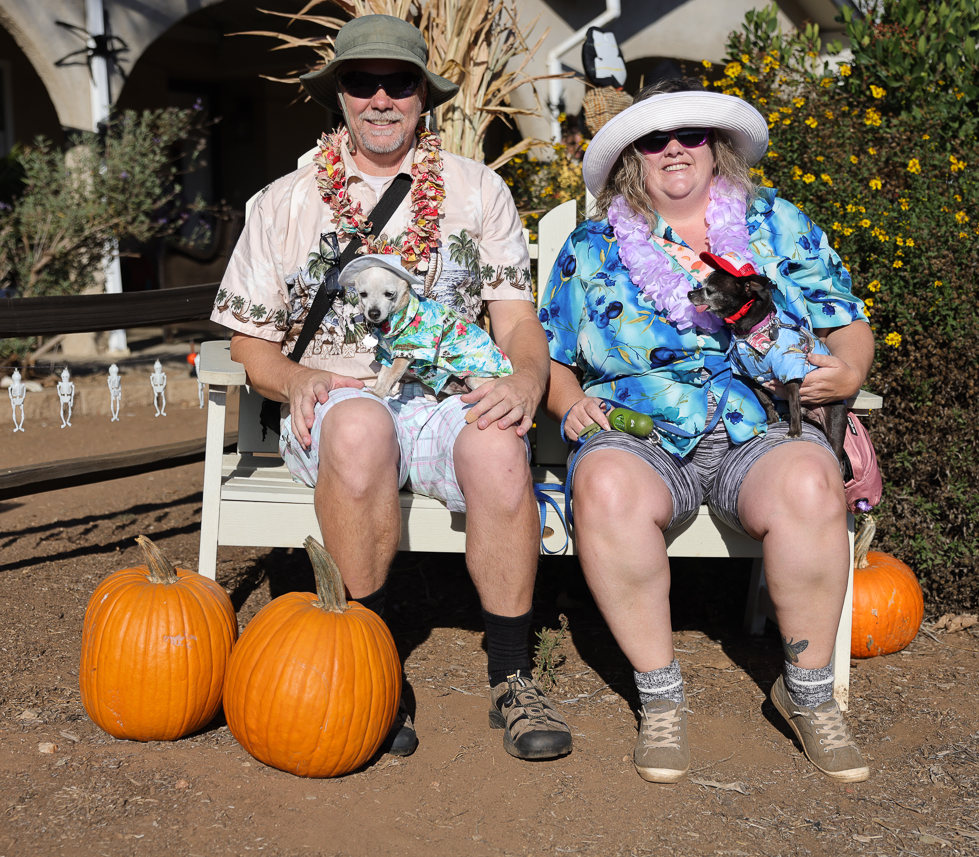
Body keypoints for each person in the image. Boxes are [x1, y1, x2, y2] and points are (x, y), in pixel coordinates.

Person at [211, 14, 571, 762]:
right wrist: (297, 377)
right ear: (339, 95)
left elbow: (514, 318)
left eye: (398, 83)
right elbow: (249, 343)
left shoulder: (477, 190)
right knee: (359, 426)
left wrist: (526, 378)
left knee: (499, 441)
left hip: (445, 398)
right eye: (362, 82)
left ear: (422, 95)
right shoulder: (284, 200)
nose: (381, 99)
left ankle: (512, 674)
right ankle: (368, 667)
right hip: (336, 401)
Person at [540, 79, 874, 784]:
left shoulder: (775, 222)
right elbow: (552, 357)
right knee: (605, 484)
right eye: (654, 139)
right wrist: (568, 403)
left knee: (810, 482)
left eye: (689, 134)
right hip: (640, 433)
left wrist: (847, 372)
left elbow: (847, 322)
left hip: (762, 425)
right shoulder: (592, 246)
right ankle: (661, 698)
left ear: (714, 145)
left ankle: (808, 694)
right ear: (633, 155)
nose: (673, 150)